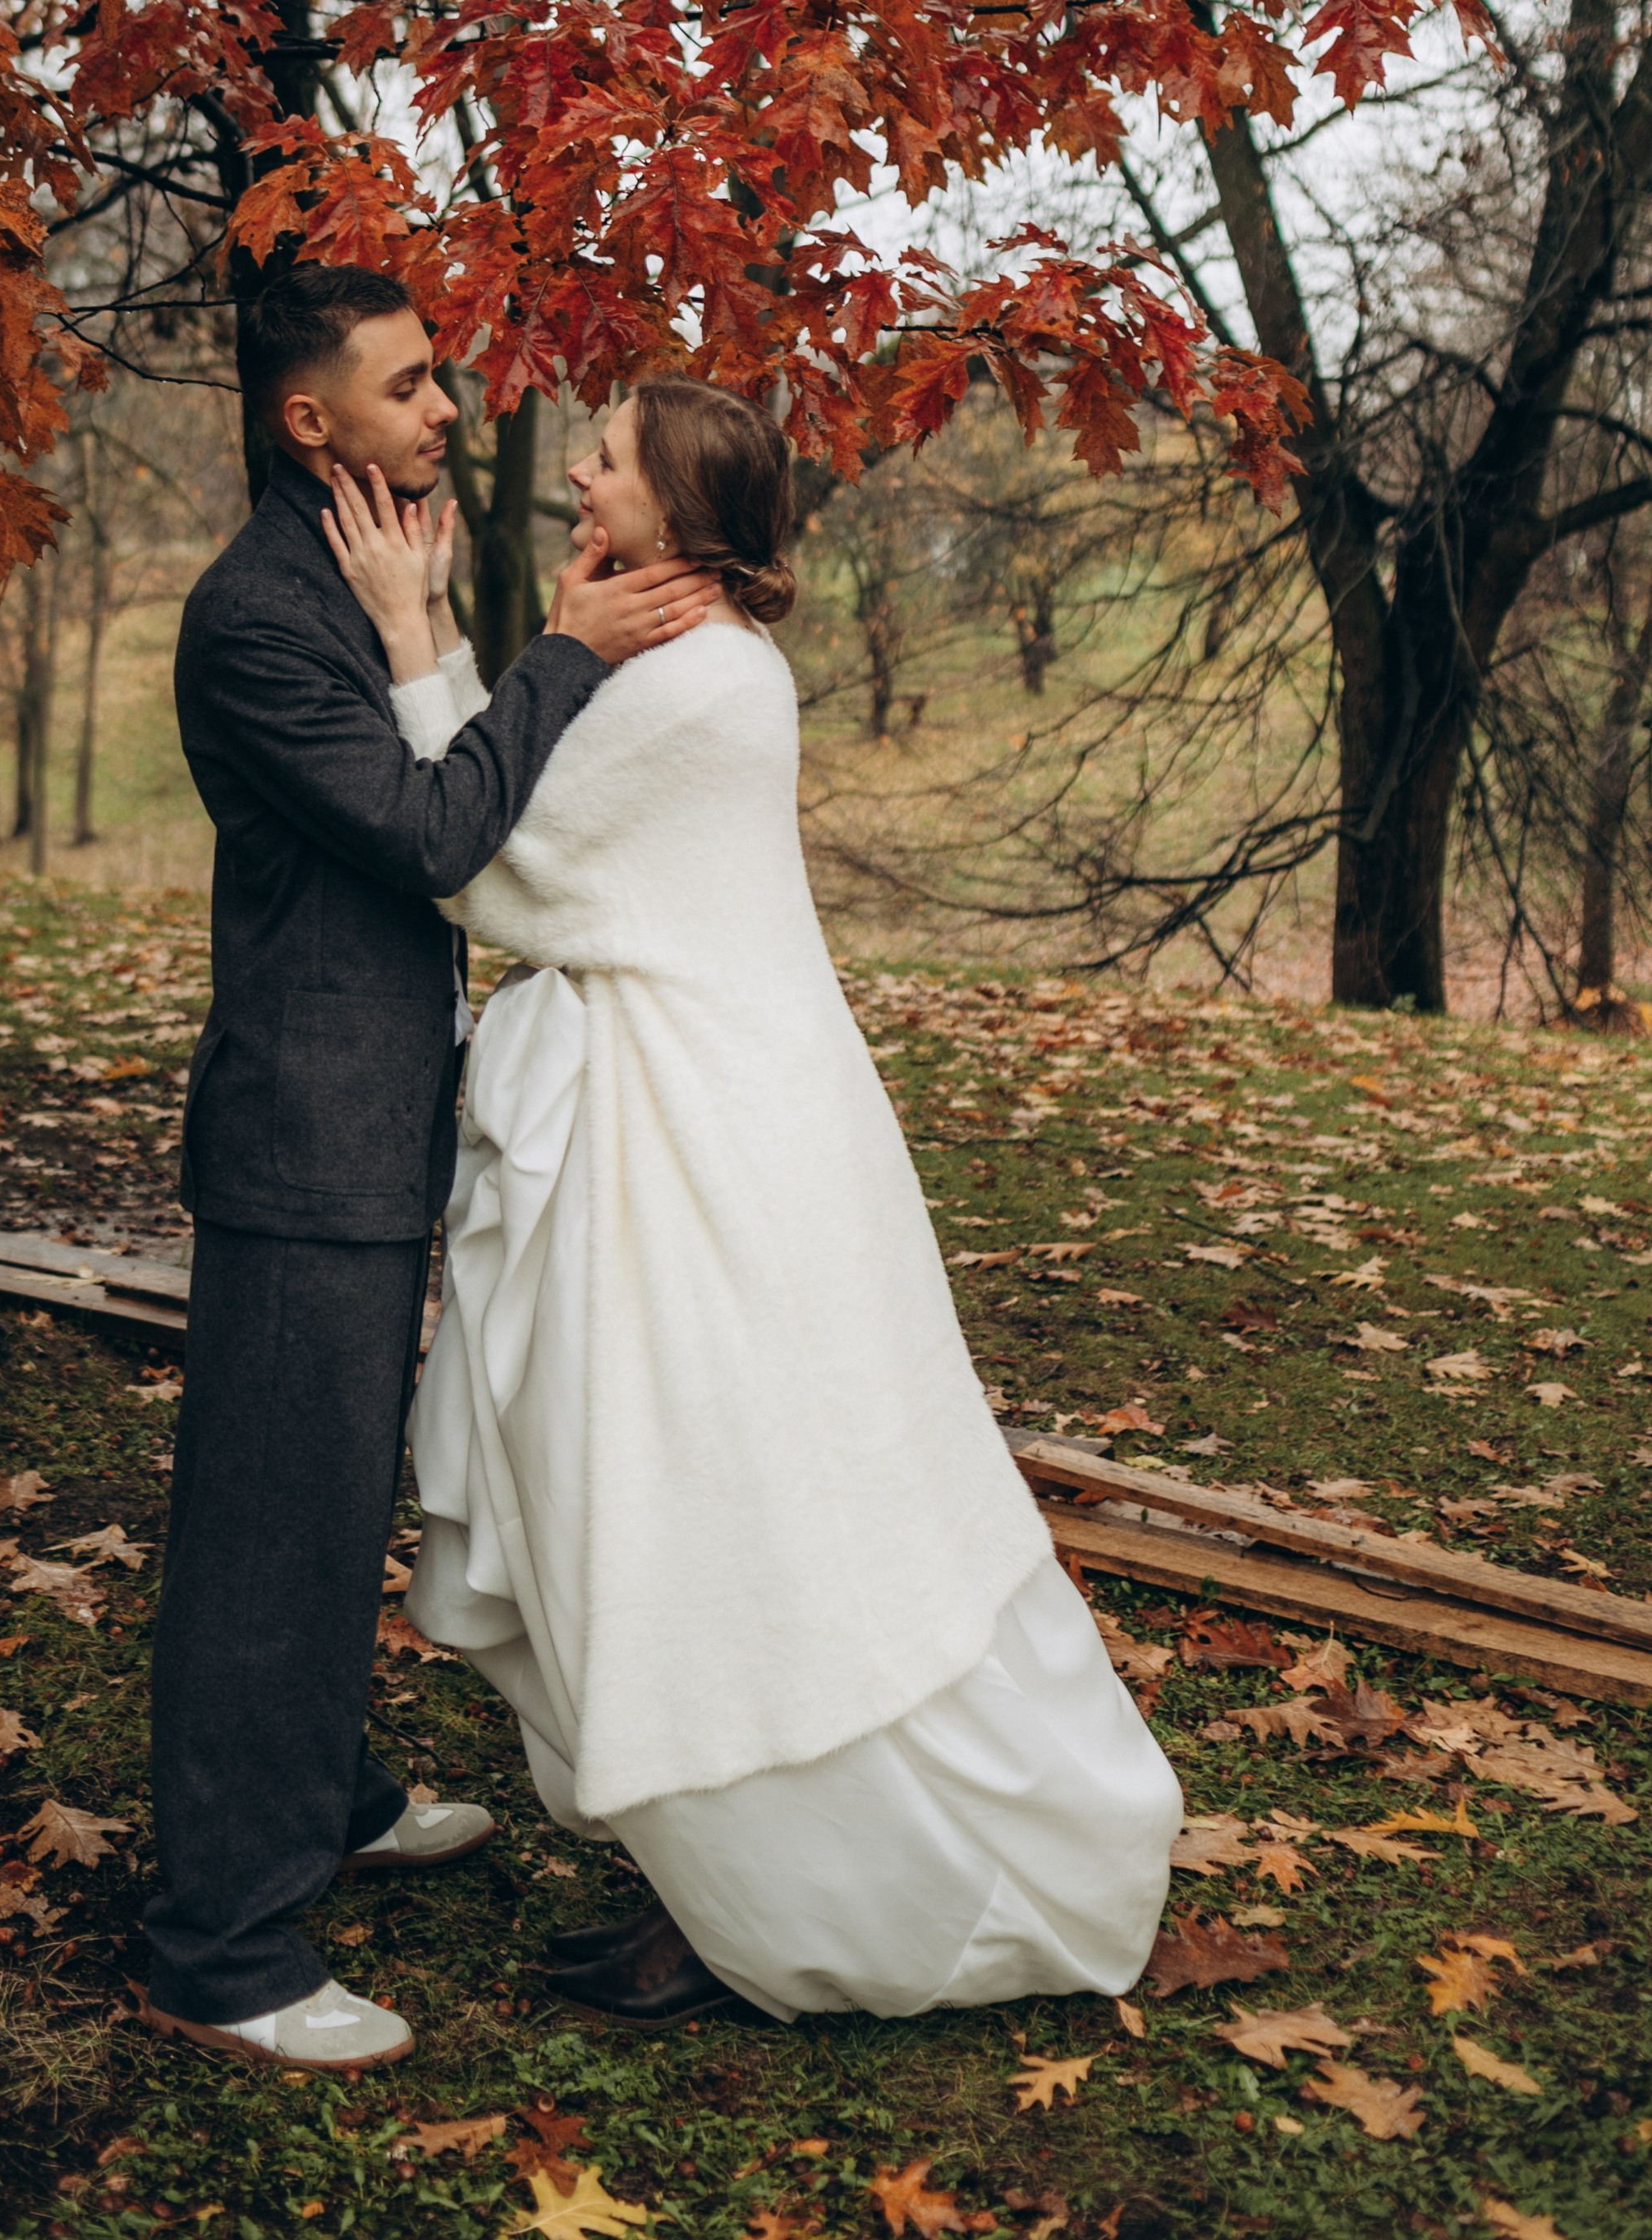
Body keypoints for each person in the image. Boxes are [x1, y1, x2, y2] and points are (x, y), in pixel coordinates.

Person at [320, 375, 1183, 2031]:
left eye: (607, 459)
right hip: (675, 1114)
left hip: (698, 1145)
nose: (579, 473)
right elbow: (524, 793)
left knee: (718, 1494)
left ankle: (811, 1897)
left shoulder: (707, 683)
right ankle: (720, 1877)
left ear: (678, 512)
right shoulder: (660, 659)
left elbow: (491, 863)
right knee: (666, 1486)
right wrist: (519, 650)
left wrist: (420, 633)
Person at [145, 268, 720, 2074]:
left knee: (329, 1510)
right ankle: (221, 1944)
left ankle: (324, 1798)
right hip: (302, 1138)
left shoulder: (369, 567)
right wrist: (565, 654)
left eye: (439, 379)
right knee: (269, 1536)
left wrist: (452, 634)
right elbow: (431, 827)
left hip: (378, 1119)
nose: (446, 409)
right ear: (307, 420)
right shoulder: (257, 615)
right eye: (404, 388)